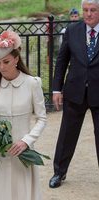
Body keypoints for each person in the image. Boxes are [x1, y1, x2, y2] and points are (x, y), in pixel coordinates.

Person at [0, 30, 47, 200]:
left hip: (21, 151)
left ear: (16, 59)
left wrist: (27, 141)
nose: (2, 67)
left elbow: (42, 118)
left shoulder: (32, 83)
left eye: (6, 62)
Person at [49, 0, 99, 188]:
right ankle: (58, 173)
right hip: (74, 91)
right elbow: (62, 61)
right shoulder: (72, 30)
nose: (88, 14)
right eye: (85, 10)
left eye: (93, 10)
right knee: (67, 135)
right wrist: (56, 89)